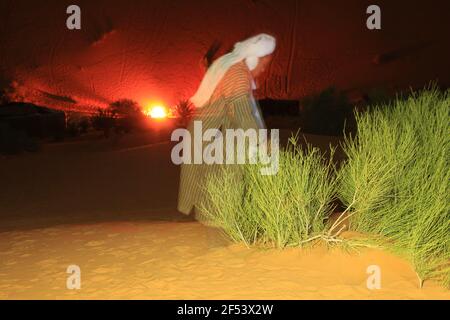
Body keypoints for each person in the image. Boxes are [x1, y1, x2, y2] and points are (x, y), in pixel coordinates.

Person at [178, 33, 276, 217]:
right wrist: (262, 143)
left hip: (210, 135)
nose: (264, 70)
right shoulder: (237, 73)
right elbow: (242, 114)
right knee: (231, 174)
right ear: (253, 60)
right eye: (264, 65)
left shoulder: (231, 66)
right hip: (211, 137)